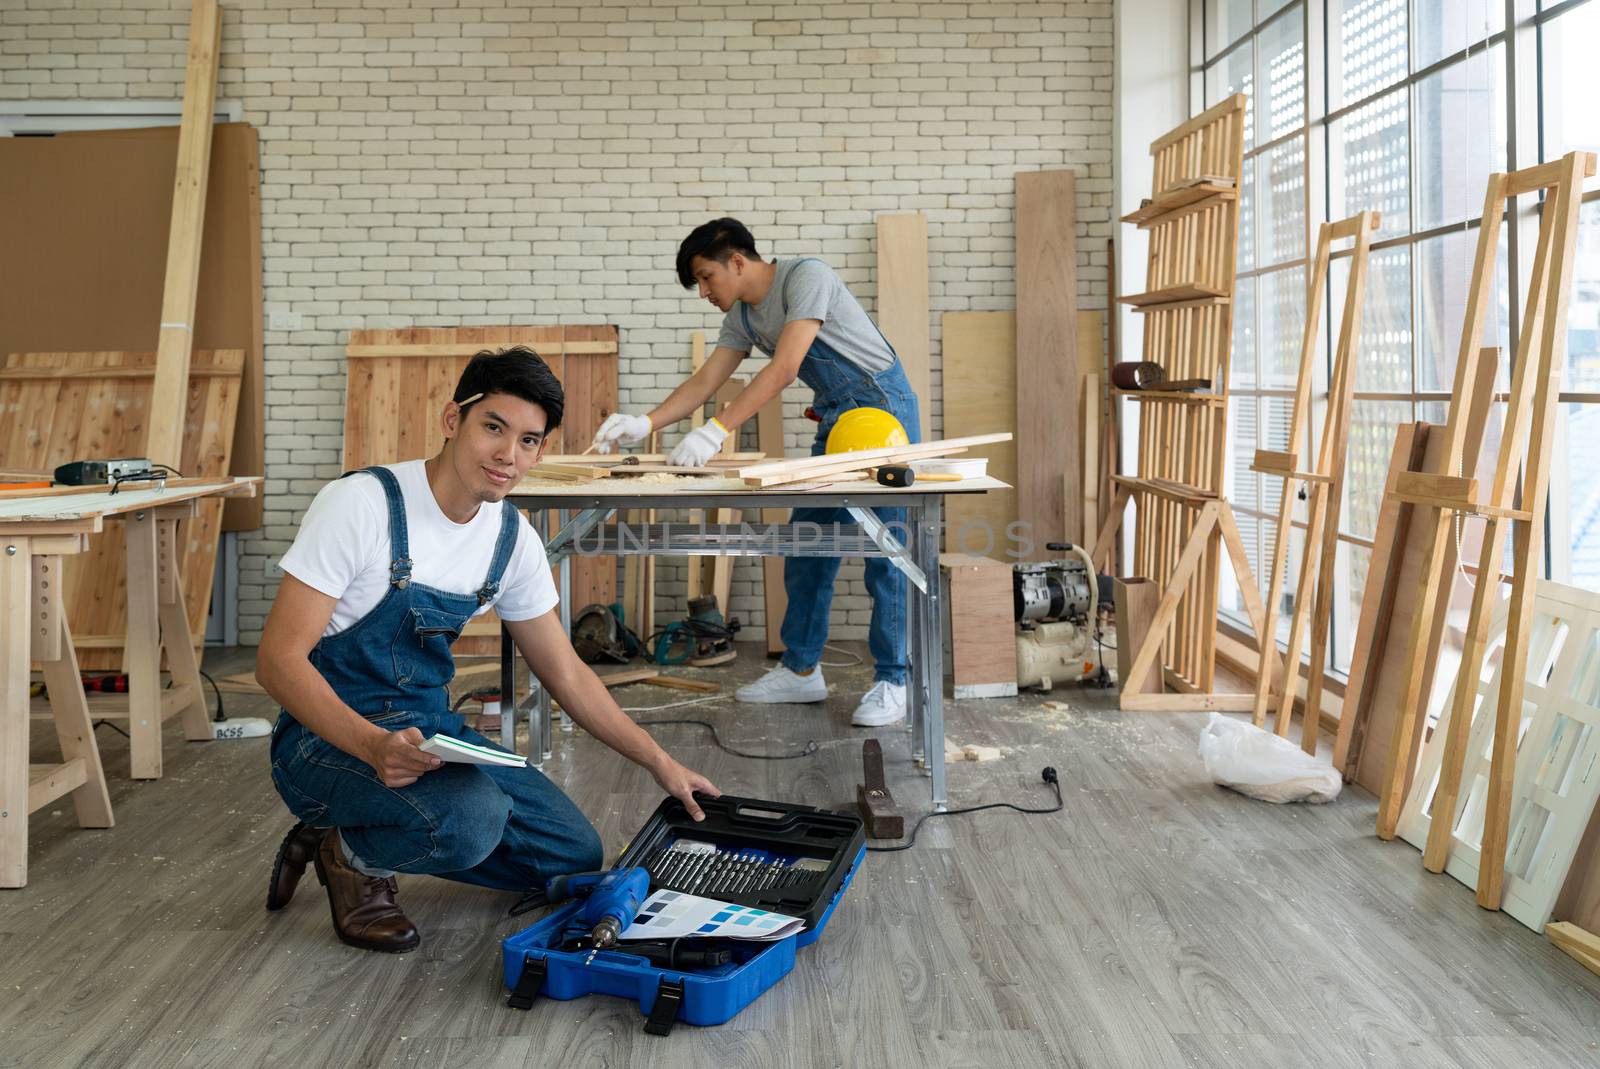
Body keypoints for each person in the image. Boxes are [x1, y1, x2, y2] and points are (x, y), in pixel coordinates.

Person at [255, 347, 719, 953]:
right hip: (324, 740)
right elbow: (277, 661)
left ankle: (346, 829)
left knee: (571, 856)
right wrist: (372, 746)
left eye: (529, 441)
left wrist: (660, 762)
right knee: (467, 820)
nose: (508, 456)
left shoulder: (510, 539)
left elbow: (568, 675)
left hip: (426, 732)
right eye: (493, 428)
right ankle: (350, 857)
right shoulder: (362, 505)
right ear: (454, 420)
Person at [590, 218, 921, 728]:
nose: (704, 292)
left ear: (738, 261)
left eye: (706, 278)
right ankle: (801, 670)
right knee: (807, 545)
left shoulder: (806, 277)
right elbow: (706, 381)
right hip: (836, 417)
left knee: (887, 551)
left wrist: (716, 431)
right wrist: (645, 421)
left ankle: (893, 679)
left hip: (882, 412)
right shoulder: (742, 317)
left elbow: (786, 367)